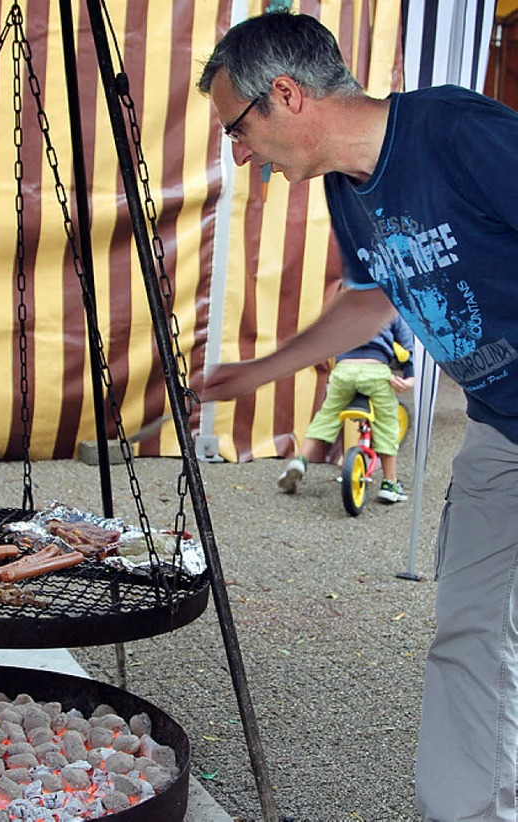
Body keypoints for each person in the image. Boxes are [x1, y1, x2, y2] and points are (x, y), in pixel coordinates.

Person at [197, 10, 518, 822]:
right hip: (498, 428)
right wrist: (255, 374)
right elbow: (370, 300)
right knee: (470, 632)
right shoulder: (348, 190)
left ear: (285, 96)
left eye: (237, 128)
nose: (240, 153)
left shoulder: (450, 128)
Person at [277, 314, 414, 502]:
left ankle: (300, 461)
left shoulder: (348, 303)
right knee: (387, 424)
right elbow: (407, 348)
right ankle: (390, 483)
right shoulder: (389, 309)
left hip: (344, 371)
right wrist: (409, 377)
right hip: (375, 371)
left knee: (327, 416)